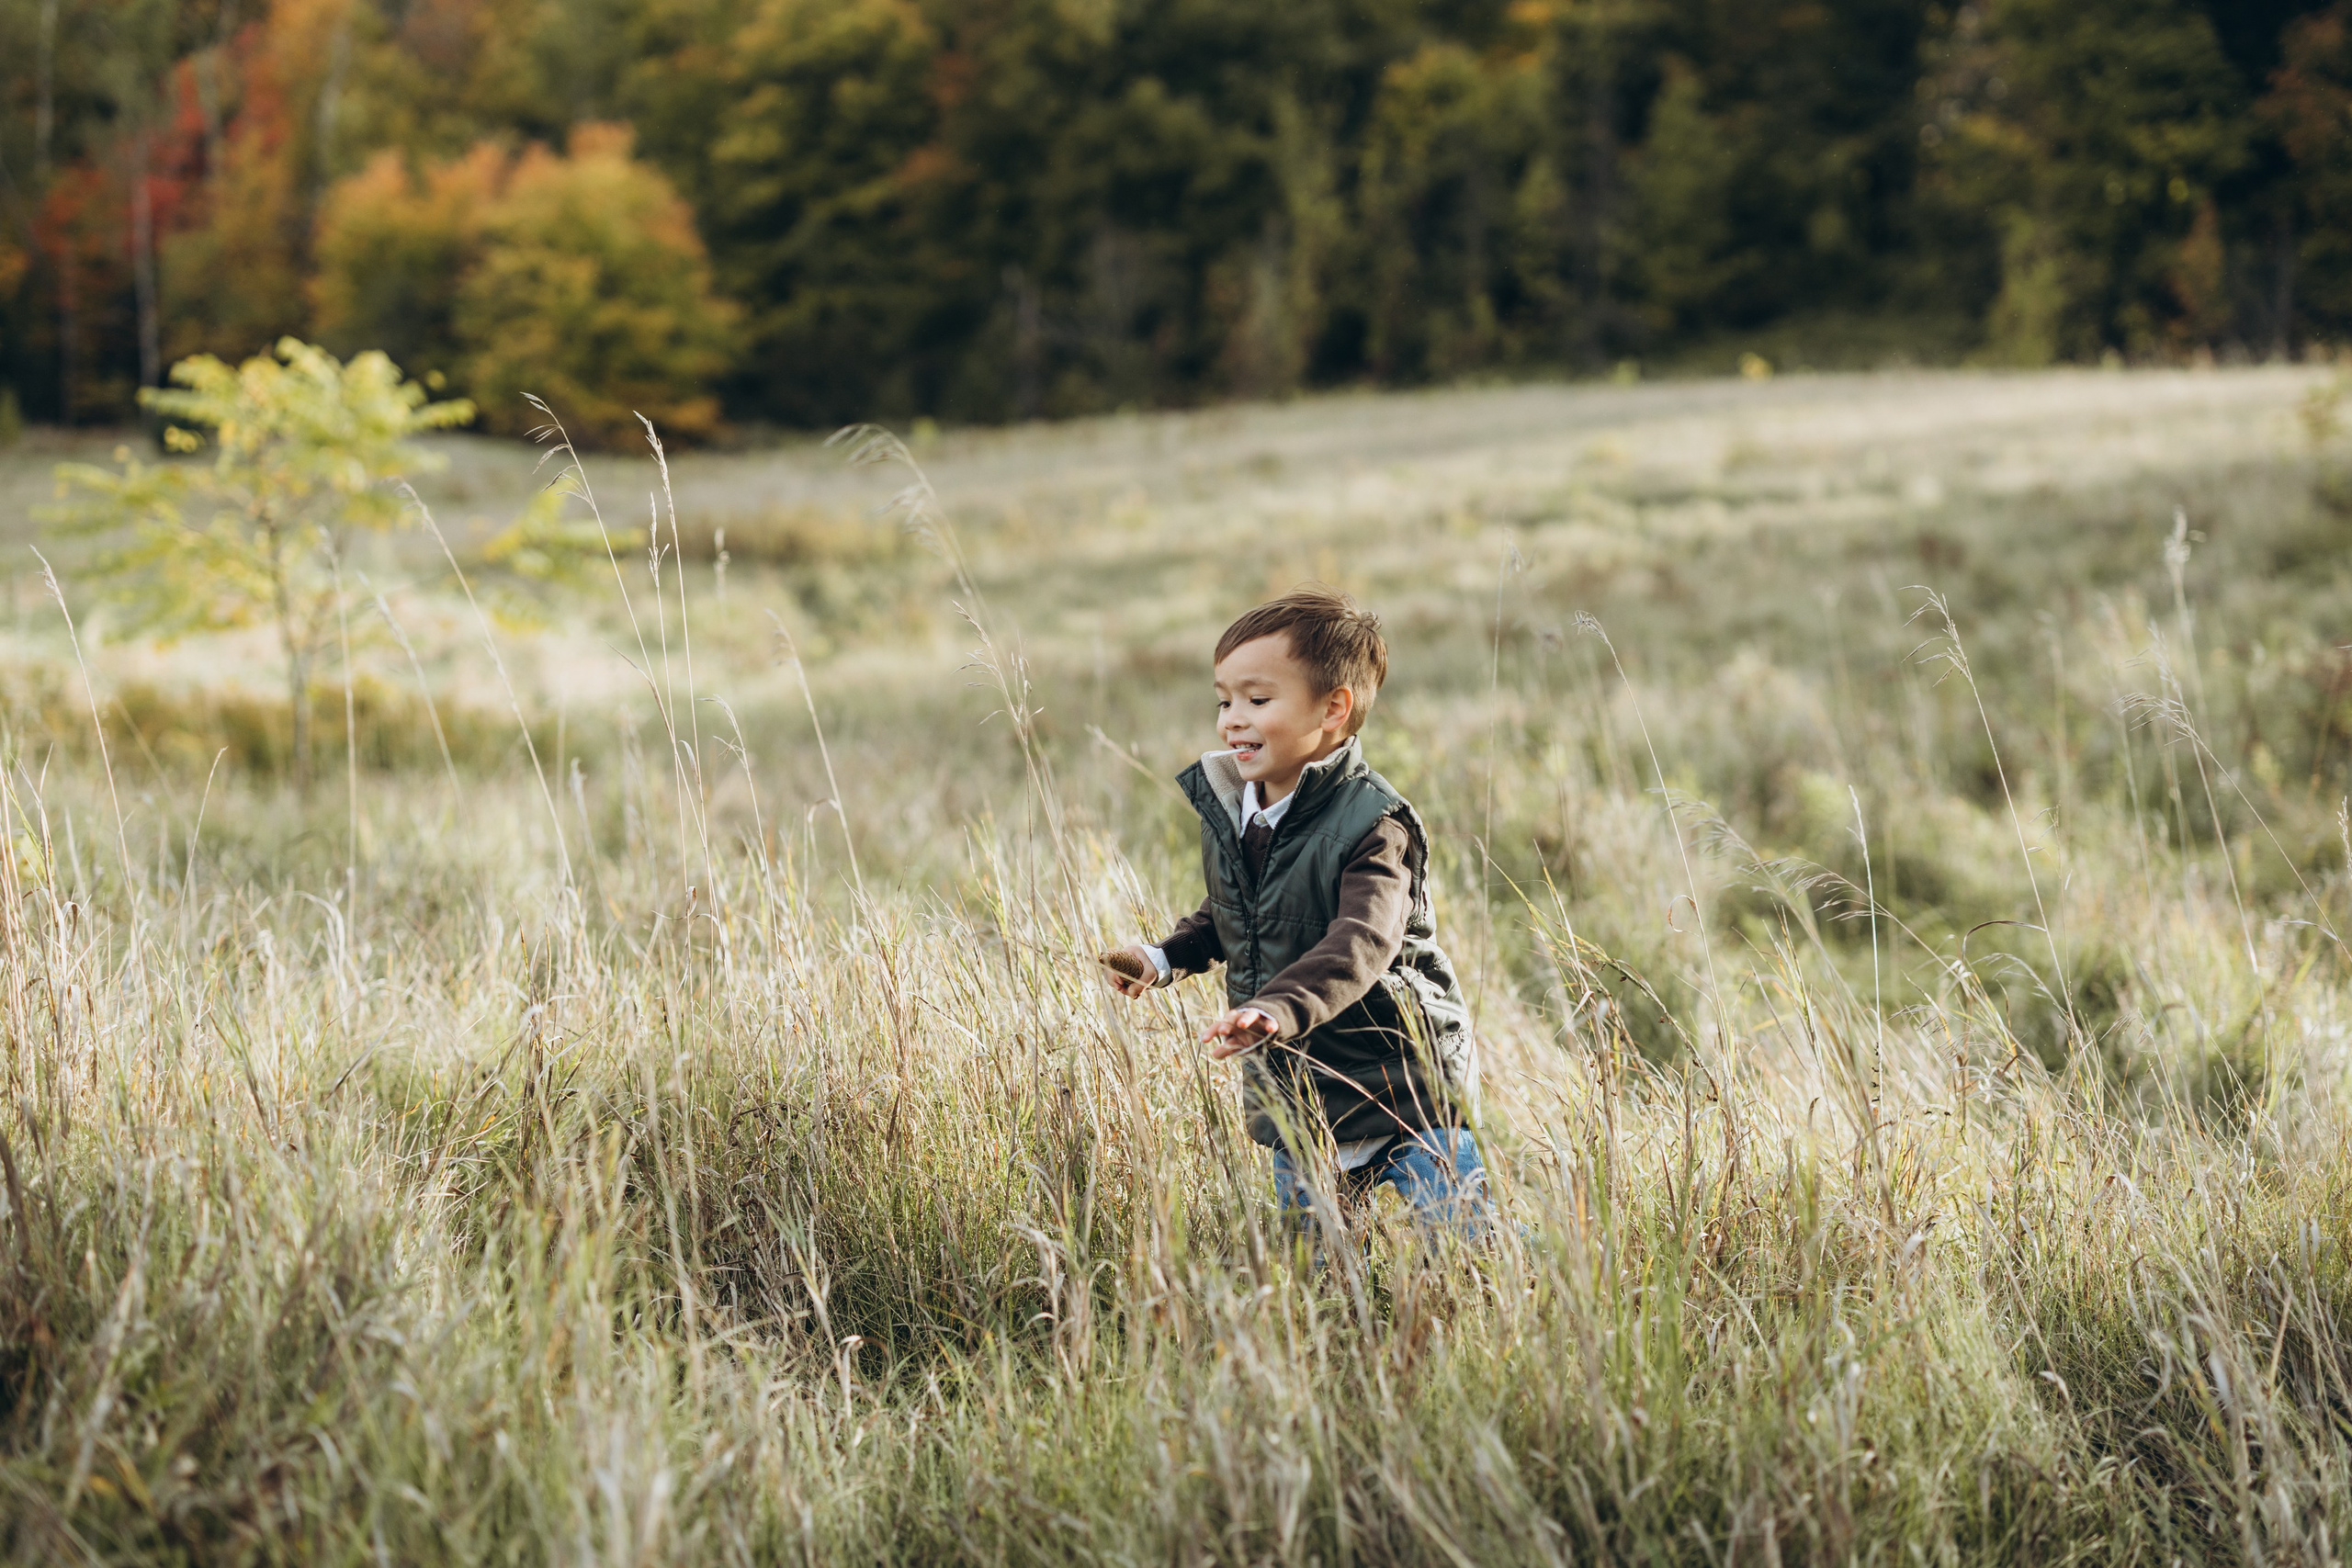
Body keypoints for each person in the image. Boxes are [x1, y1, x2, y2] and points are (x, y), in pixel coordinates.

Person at [1103, 585, 1491, 1241]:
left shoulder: (1374, 824)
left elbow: (1361, 942)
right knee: (1312, 1255)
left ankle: (1520, 1281)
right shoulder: (1239, 809)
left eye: (1258, 700)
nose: (1233, 720)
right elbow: (1236, 913)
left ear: (1333, 708)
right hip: (1298, 1088)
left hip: (1400, 1082)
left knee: (1465, 1238)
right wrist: (1163, 958)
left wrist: (1276, 1010)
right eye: (1224, 701)